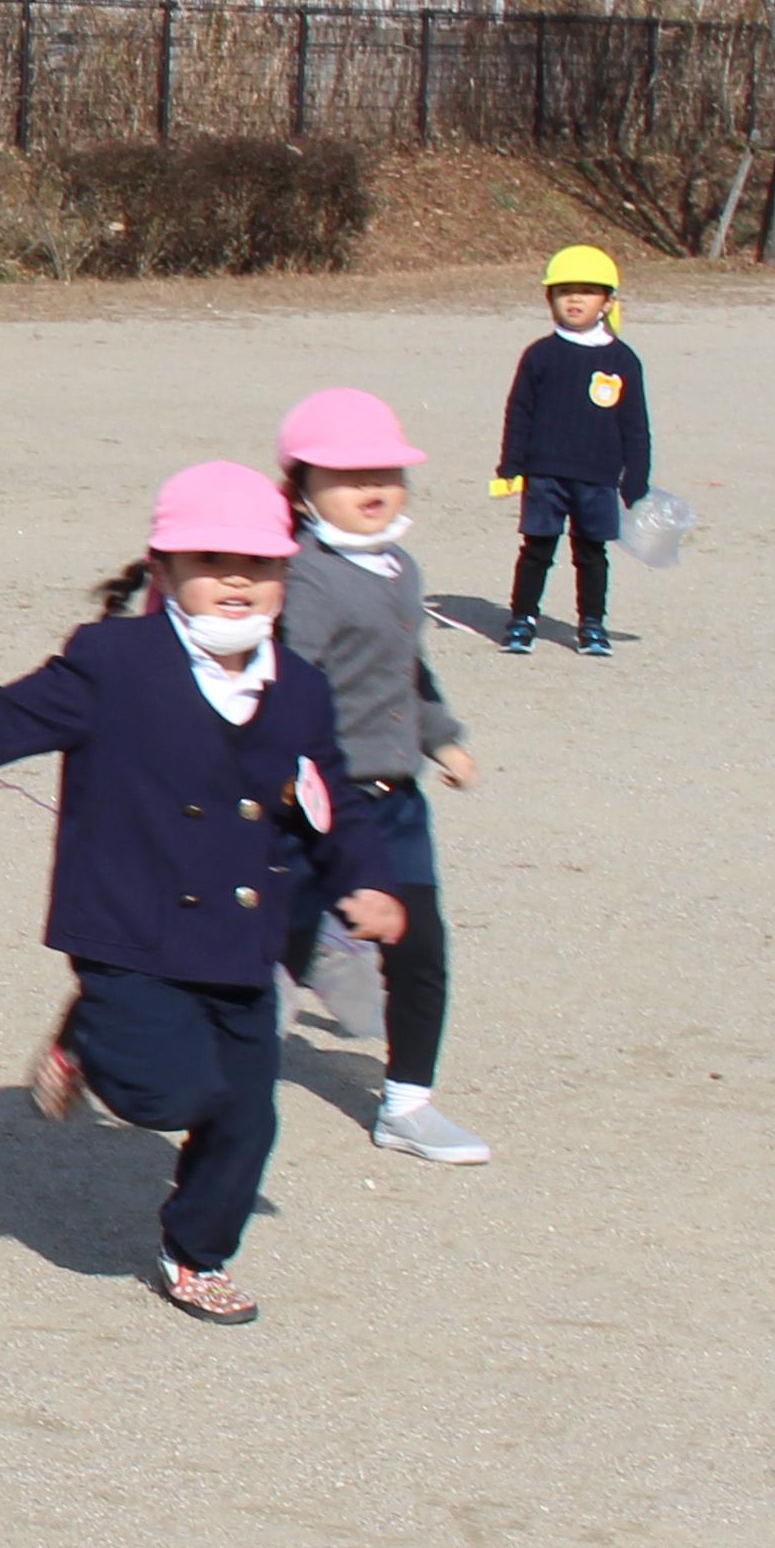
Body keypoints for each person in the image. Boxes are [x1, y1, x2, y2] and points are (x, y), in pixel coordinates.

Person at [0, 462, 408, 1328]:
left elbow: (333, 801)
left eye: (258, 565)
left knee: (248, 1115)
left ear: (287, 576)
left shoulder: (300, 688)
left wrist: (364, 879)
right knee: (165, 1098)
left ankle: (198, 1252)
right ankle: (91, 1040)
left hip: (240, 943)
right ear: (166, 568)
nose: (236, 582)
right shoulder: (113, 661)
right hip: (128, 927)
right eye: (211, 561)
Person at [276, 389, 485, 1167]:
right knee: (281, 947)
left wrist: (443, 738)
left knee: (421, 947)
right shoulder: (305, 576)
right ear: (302, 485)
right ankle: (221, 1067)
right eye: (349, 473)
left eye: (388, 471)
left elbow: (408, 668)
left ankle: (407, 1104)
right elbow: (286, 684)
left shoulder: (401, 567)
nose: (375, 486)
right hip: (321, 803)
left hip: (397, 802)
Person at [495, 244, 650, 655]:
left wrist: (636, 477)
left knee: (591, 553)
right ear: (550, 299)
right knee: (537, 549)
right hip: (545, 473)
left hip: (597, 476)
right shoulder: (540, 355)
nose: (575, 299)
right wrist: (511, 464)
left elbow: (635, 425)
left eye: (587, 291)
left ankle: (592, 624)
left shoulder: (622, 360)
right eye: (564, 291)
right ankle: (522, 619)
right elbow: (520, 411)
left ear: (608, 301)